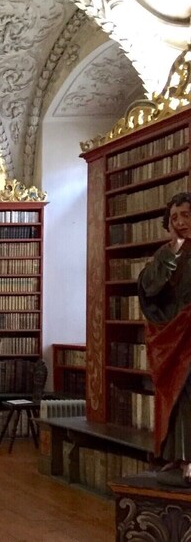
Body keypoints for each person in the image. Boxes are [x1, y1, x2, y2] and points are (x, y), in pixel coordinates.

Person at [138, 191, 191, 486]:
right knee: (176, 393)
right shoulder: (166, 253)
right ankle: (177, 455)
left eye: (185, 215)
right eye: (174, 218)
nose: (180, 222)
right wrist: (173, 251)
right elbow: (149, 288)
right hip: (174, 337)